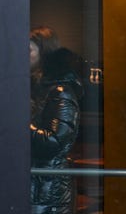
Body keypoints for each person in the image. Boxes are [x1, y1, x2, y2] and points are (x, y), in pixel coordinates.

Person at [30, 25, 83, 214]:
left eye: (29, 50)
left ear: (44, 54)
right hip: (38, 187)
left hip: (47, 192)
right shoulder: (37, 88)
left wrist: (16, 124)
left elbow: (54, 142)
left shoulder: (61, 92)